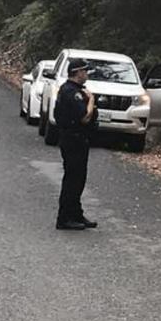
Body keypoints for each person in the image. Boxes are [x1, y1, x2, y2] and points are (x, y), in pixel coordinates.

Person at [55, 59, 98, 230]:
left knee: (79, 179)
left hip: (79, 139)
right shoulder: (71, 92)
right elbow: (85, 117)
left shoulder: (75, 91)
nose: (87, 74)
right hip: (72, 139)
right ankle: (65, 218)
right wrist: (92, 100)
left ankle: (76, 213)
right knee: (72, 179)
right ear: (77, 72)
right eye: (85, 71)